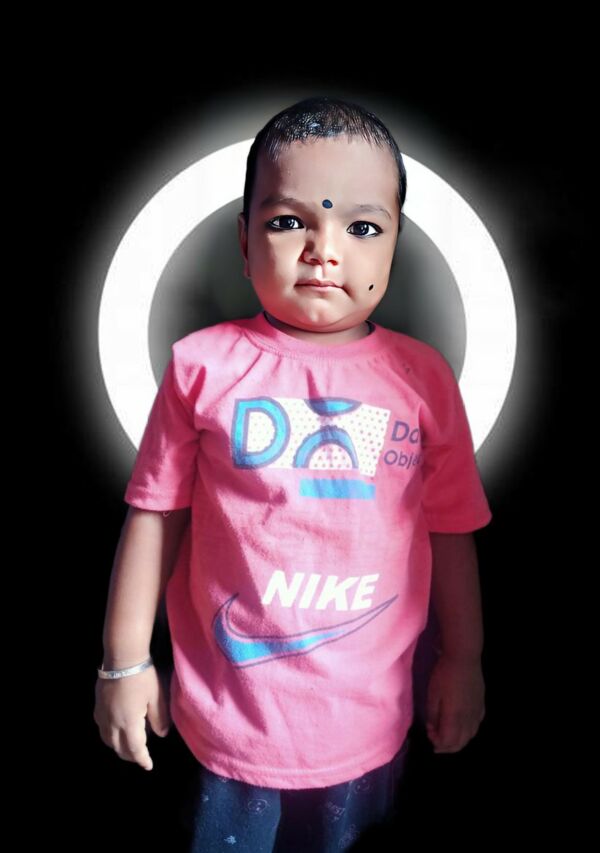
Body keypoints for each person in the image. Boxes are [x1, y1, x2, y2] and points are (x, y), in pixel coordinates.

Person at [94, 95, 493, 852]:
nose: (322, 250)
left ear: (395, 244)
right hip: (230, 725)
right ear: (245, 241)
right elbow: (155, 517)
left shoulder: (423, 380)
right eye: (287, 221)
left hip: (370, 725)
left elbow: (451, 530)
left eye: (361, 227)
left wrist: (463, 660)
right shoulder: (200, 368)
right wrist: (124, 663)